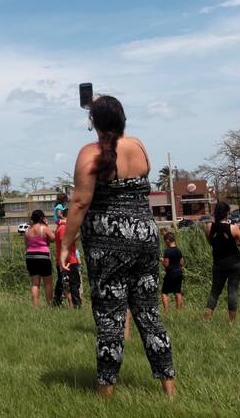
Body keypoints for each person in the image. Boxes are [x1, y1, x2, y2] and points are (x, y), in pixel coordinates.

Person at [59, 95, 175, 398]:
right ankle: (169, 388)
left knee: (110, 318)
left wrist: (65, 245)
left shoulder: (89, 153)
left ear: (93, 123)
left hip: (107, 245)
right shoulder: (138, 147)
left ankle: (106, 393)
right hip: (145, 237)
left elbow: (81, 202)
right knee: (149, 314)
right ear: (122, 119)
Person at [203, 201, 240, 324]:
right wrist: (235, 242)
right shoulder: (233, 228)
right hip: (234, 263)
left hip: (218, 263)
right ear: (227, 213)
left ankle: (206, 319)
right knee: (232, 291)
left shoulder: (208, 227)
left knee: (215, 291)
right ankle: (231, 322)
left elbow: (211, 242)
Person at [24, 209, 56, 308]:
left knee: (35, 283)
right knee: (47, 283)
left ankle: (35, 307)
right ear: (42, 217)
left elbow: (26, 244)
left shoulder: (27, 230)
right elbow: (53, 238)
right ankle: (50, 305)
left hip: (30, 257)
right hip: (43, 257)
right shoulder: (44, 228)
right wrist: (47, 225)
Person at [54, 207, 82, 309]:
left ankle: (57, 303)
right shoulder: (63, 228)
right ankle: (76, 305)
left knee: (69, 283)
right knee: (72, 284)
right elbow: (64, 242)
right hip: (68, 261)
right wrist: (78, 235)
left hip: (69, 259)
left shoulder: (64, 226)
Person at [160, 231, 185, 311]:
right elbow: (182, 262)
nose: (165, 243)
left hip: (170, 273)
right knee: (178, 292)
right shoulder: (178, 250)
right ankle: (179, 311)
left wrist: (162, 260)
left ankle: (166, 311)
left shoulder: (168, 251)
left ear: (168, 240)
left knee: (164, 293)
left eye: (165, 241)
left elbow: (166, 265)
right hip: (179, 273)